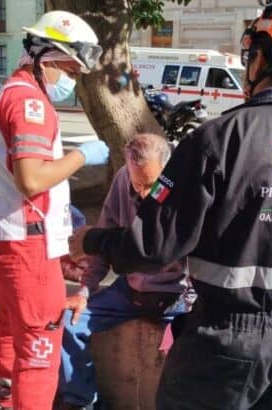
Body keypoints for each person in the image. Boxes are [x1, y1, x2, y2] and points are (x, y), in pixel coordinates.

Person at [69, 0, 272, 408]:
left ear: (262, 56)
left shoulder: (214, 141)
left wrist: (93, 239)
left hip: (225, 338)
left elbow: (152, 247)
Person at [0, 10, 108, 410]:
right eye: (70, 68)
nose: (71, 78)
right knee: (40, 348)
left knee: (11, 327)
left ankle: (5, 400)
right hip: (27, 244)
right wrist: (81, 155)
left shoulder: (8, 92)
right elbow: (32, 179)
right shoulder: (29, 103)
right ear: (49, 58)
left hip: (4, 235)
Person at [58, 133, 195, 410]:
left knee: (193, 353)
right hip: (128, 291)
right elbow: (104, 241)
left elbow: (198, 260)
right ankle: (79, 399)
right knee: (68, 320)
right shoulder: (123, 180)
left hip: (176, 296)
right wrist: (85, 291)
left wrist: (190, 308)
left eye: (151, 185)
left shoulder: (185, 185)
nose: (144, 193)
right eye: (138, 184)